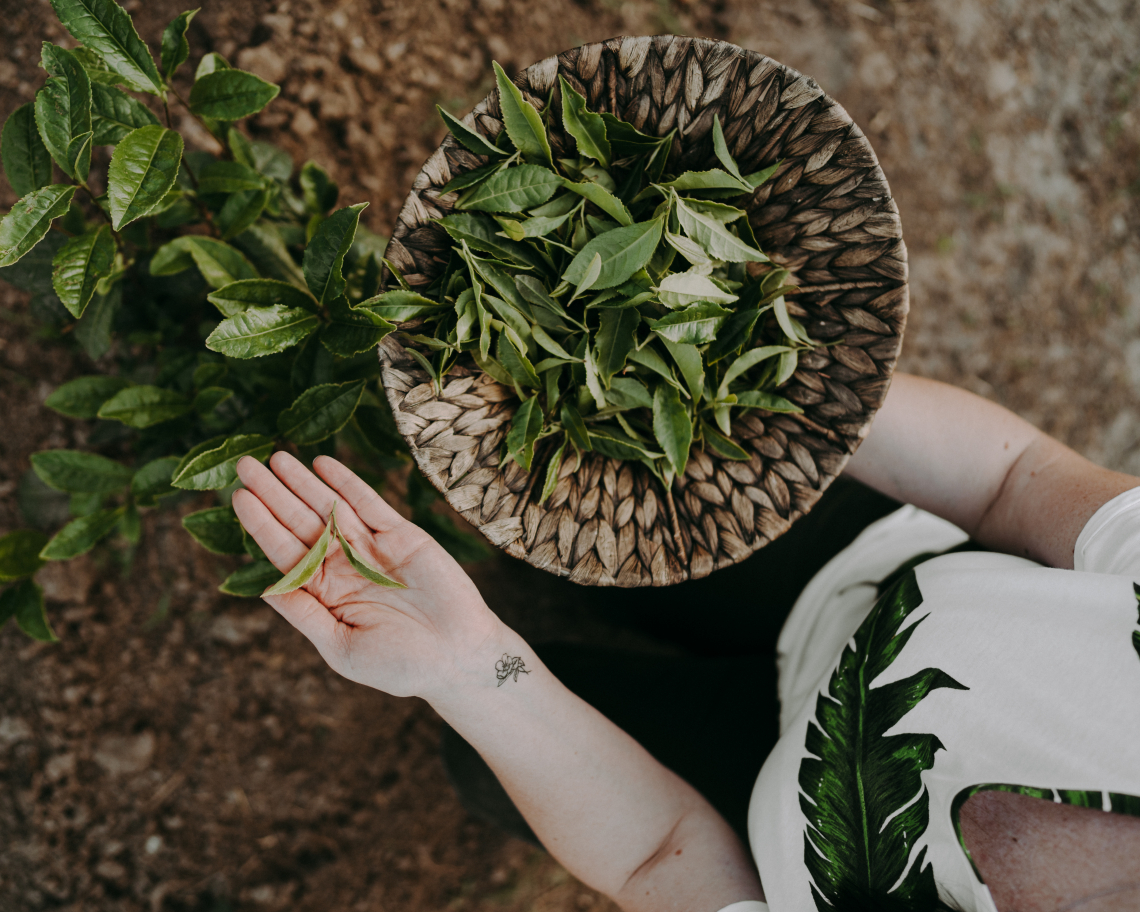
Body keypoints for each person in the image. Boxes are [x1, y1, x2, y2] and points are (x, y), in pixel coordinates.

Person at [231, 373, 1140, 912]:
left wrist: (473, 670)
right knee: (564, 487)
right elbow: (1014, 480)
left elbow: (659, 852)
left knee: (474, 758)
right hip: (865, 571)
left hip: (755, 787)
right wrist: (790, 379)